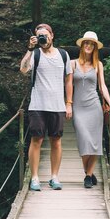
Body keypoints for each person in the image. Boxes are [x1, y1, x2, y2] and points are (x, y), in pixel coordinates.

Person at [20, 23, 73, 191]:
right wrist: (30, 48)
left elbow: (69, 80)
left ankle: (54, 177)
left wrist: (69, 103)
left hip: (57, 105)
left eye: (45, 34)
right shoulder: (35, 54)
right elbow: (22, 70)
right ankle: (35, 178)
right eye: (39, 35)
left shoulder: (63, 55)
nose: (43, 37)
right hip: (37, 105)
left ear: (52, 35)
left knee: (56, 141)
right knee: (37, 140)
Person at [71, 31, 110, 188]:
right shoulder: (72, 63)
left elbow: (102, 86)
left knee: (95, 142)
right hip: (78, 106)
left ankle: (88, 176)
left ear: (95, 47)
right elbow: (68, 85)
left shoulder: (98, 65)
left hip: (94, 106)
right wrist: (67, 103)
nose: (88, 46)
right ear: (82, 46)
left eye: (92, 44)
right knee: (84, 140)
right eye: (86, 43)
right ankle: (87, 171)